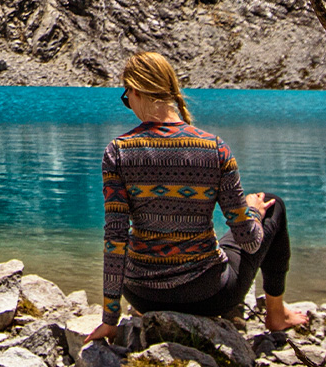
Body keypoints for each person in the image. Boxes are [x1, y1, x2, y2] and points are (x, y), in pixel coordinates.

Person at [86, 51, 307, 342]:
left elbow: (115, 238)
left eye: (127, 98)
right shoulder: (215, 149)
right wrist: (254, 212)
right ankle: (277, 314)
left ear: (136, 91)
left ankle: (146, 313)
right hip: (208, 296)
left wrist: (110, 319)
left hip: (142, 296)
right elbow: (250, 241)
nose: (130, 106)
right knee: (273, 204)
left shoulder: (118, 151)